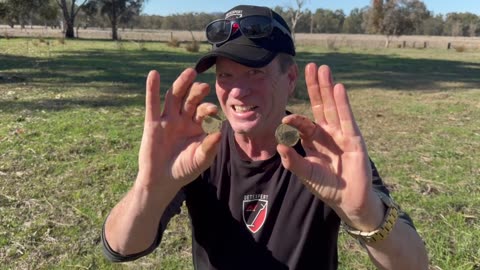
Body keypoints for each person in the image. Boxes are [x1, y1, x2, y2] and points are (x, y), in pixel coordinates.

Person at [101, 5, 428, 269]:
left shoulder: (324, 157)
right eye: (226, 75)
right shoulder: (197, 154)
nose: (238, 92)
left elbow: (414, 265)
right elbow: (122, 248)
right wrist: (148, 189)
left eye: (254, 72)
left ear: (289, 79)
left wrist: (365, 213)